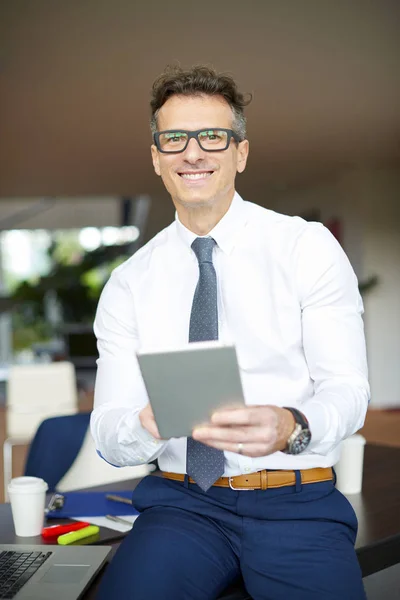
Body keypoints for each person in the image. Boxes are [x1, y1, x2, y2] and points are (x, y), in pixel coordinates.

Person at [91, 64, 369, 600]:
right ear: (156, 157)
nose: (192, 153)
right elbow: (108, 434)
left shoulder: (305, 247)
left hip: (297, 501)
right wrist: (146, 423)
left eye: (212, 136)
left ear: (240, 152)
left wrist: (293, 426)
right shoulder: (128, 284)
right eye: (174, 139)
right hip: (182, 505)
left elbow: (349, 390)